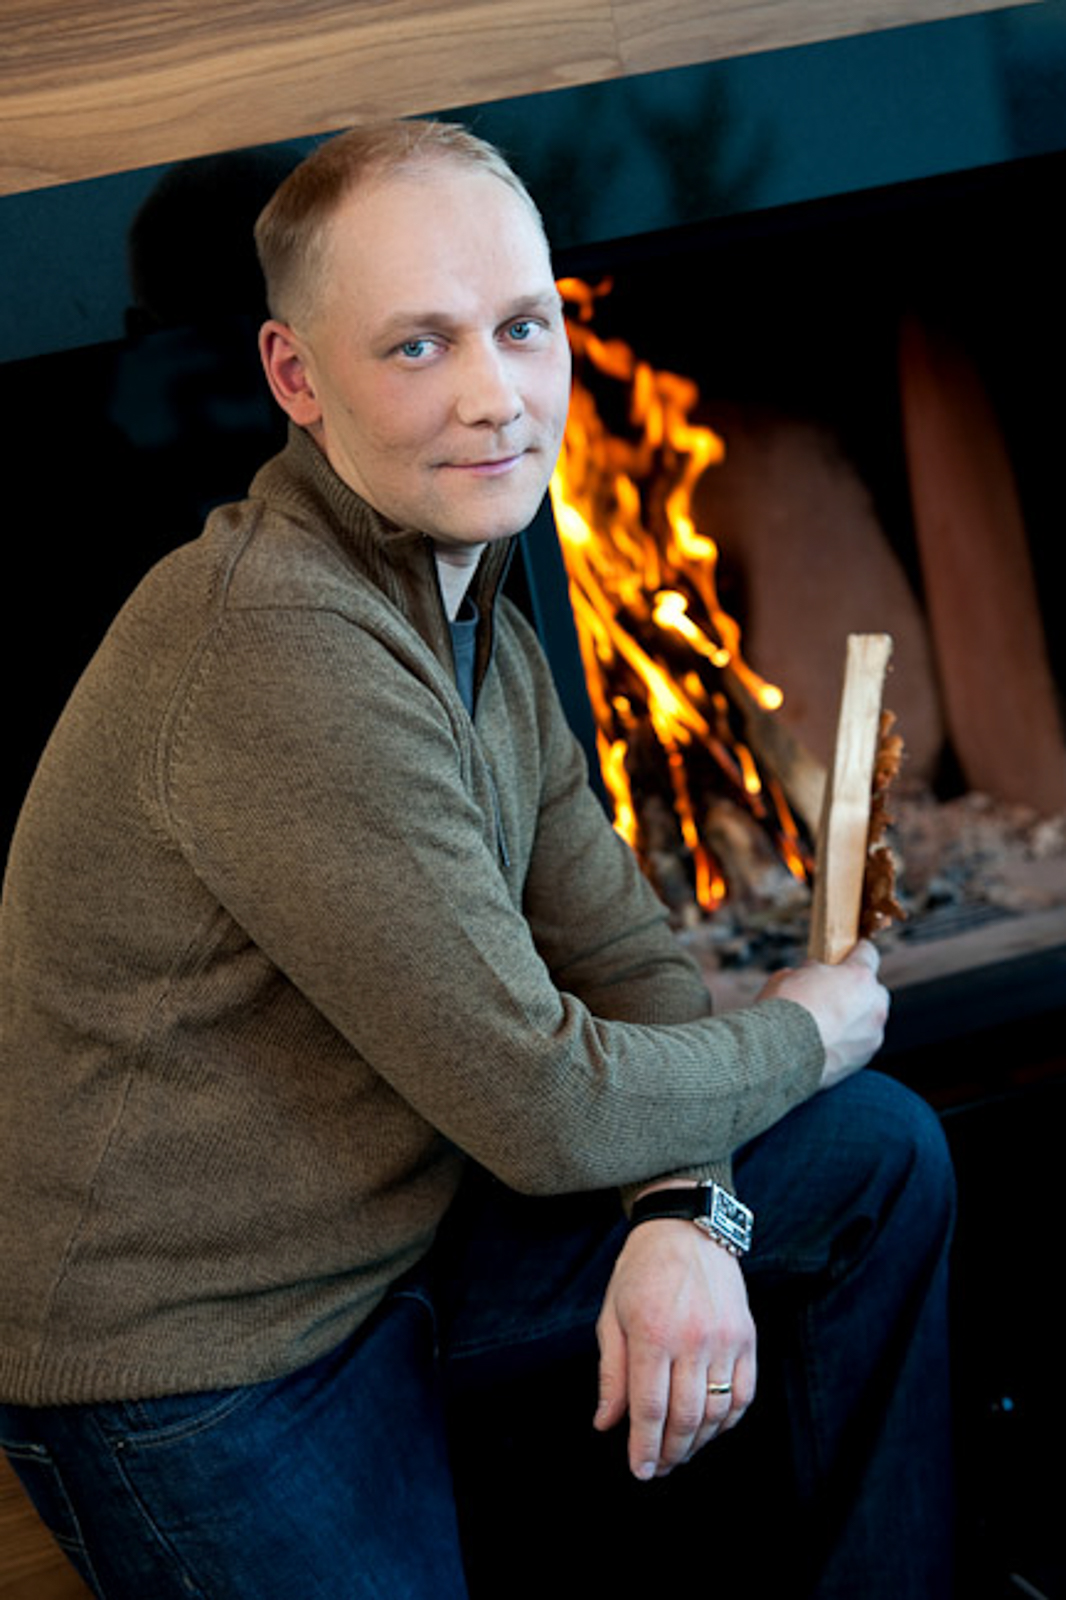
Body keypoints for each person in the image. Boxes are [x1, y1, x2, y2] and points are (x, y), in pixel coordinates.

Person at [0, 118, 955, 1598]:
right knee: (830, 1088)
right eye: (417, 346)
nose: (494, 397)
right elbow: (545, 1105)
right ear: (295, 378)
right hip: (204, 1367)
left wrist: (685, 1209)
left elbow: (621, 954)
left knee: (874, 1156)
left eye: (520, 326)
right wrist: (802, 1033)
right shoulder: (279, 648)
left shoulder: (470, 615)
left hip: (398, 1244)